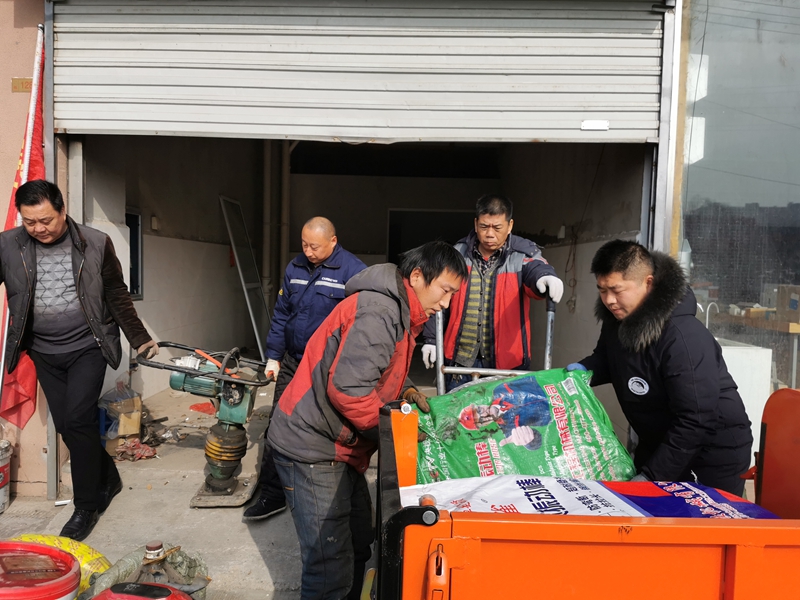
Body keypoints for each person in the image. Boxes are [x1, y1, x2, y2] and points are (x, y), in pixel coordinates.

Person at [267, 241, 467, 600]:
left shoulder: (400, 310)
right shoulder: (380, 312)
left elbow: (379, 369)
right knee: (329, 566)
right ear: (417, 277)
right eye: (445, 290)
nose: (446, 304)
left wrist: (406, 389)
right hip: (311, 445)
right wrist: (394, 433)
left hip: (339, 444)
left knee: (361, 543)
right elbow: (349, 390)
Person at [0, 180, 158, 540]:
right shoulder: (8, 245)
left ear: (62, 210)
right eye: (30, 222)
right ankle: (109, 477)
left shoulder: (95, 242)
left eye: (46, 220)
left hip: (88, 346)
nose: (39, 229)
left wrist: (139, 337)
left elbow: (115, 293)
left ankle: (85, 506)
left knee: (77, 419)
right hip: (43, 351)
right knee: (69, 426)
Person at [567, 240, 752, 496]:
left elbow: (696, 419)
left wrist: (652, 476)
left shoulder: (682, 337)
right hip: (660, 440)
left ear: (648, 283)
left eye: (617, 290)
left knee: (700, 519)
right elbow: (607, 359)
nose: (609, 300)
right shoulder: (617, 321)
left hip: (710, 450)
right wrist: (580, 373)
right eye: (602, 290)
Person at [244, 217, 366, 521]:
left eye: (314, 247)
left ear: (333, 242)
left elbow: (361, 324)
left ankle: (327, 493)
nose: (308, 252)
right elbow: (282, 314)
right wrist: (274, 356)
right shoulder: (295, 267)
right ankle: (274, 492)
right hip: (294, 360)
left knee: (326, 428)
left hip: (327, 367)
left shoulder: (353, 272)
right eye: (304, 244)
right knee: (278, 424)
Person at [421, 194, 563, 390]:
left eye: (497, 228)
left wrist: (545, 275)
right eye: (484, 226)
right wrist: (431, 339)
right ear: (475, 223)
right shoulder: (458, 253)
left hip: (507, 368)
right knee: (457, 408)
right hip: (459, 364)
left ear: (510, 225)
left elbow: (536, 269)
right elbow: (439, 296)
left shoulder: (522, 255)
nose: (489, 234)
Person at [458, 377, 552, 450]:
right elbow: (537, 443)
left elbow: (529, 377)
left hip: (552, 385)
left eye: (479, 410)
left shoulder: (500, 389)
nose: (484, 414)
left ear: (479, 405)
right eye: (481, 420)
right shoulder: (509, 431)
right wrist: (529, 441)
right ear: (484, 425)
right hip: (556, 412)